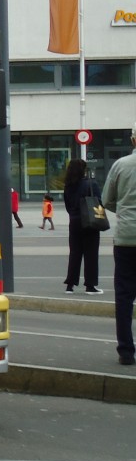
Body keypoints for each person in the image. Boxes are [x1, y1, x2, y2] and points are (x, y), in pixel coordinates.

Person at [101, 123, 136, 366]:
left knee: (124, 295)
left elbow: (106, 200)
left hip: (126, 238)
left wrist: (123, 211)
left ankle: (126, 351)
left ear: (133, 141)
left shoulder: (121, 165)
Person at [63, 158, 101, 294]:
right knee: (91, 254)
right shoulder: (91, 184)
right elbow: (99, 202)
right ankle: (90, 285)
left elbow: (67, 205)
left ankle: (70, 285)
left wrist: (74, 214)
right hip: (89, 222)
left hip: (73, 222)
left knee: (74, 253)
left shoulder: (68, 186)